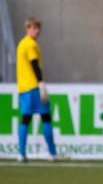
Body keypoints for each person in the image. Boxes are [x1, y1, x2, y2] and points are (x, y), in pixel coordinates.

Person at [16, 17, 68, 163]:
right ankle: (52, 153)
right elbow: (34, 65)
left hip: (23, 88)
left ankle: (21, 153)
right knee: (46, 117)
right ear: (27, 28)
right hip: (33, 87)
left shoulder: (21, 44)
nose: (37, 31)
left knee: (26, 118)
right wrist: (41, 85)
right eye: (34, 28)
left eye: (38, 28)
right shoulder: (31, 45)